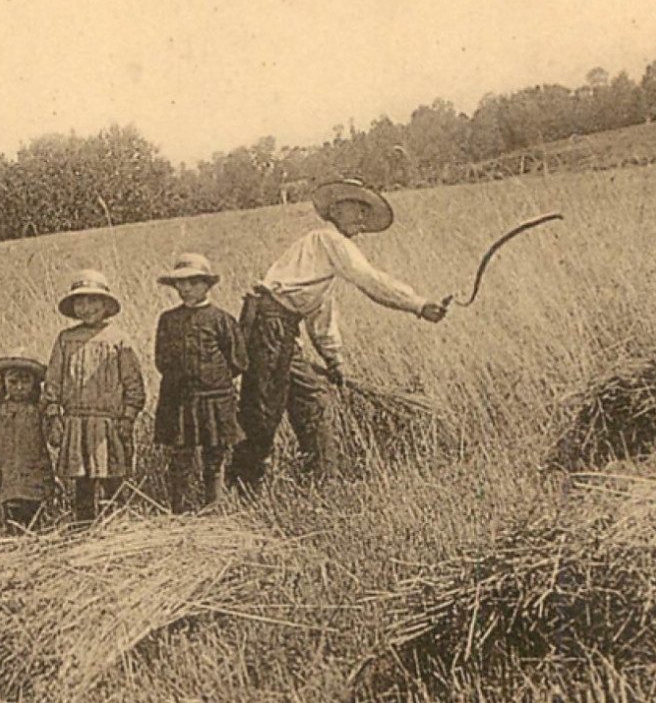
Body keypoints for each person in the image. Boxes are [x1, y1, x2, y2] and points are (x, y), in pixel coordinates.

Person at [226, 178, 445, 492]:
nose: (361, 219)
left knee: (310, 399)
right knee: (263, 408)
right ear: (335, 209)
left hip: (280, 328)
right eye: (356, 209)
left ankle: (322, 481)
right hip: (269, 326)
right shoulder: (328, 241)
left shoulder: (323, 258)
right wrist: (419, 305)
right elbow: (369, 280)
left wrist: (334, 359)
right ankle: (243, 485)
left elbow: (319, 311)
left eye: (364, 212)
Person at [43, 270, 146, 525]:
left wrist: (128, 417)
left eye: (93, 301)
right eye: (80, 302)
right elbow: (53, 380)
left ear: (106, 305)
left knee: (113, 477)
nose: (86, 308)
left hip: (108, 422)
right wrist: (54, 413)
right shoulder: (66, 339)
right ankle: (84, 527)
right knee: (83, 481)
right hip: (76, 422)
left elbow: (134, 383)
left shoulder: (118, 339)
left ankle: (118, 526)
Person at [153, 253, 247, 512]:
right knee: (180, 455)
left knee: (214, 456)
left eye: (193, 282)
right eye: (180, 284)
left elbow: (238, 360)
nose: (185, 289)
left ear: (207, 285)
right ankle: (179, 510)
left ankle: (213, 507)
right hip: (179, 399)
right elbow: (161, 360)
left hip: (214, 398)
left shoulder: (221, 319)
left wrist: (212, 379)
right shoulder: (168, 320)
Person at [0, 350, 55, 530]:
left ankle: (35, 534)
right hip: (7, 467)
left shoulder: (37, 410)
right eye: (13, 382)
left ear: (34, 384)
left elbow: (54, 437)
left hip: (33, 467)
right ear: (3, 382)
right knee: (11, 506)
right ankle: (14, 536)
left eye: (25, 382)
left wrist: (52, 414)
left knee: (34, 504)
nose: (19, 387)